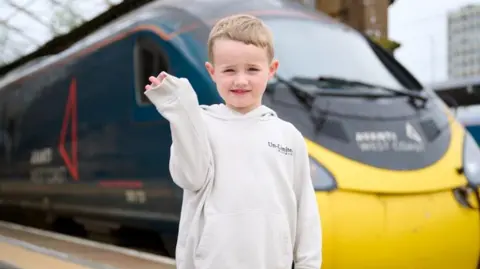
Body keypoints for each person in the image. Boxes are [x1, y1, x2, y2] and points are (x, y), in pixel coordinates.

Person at [144, 13, 322, 269]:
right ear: (212, 72)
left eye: (252, 69)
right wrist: (182, 114)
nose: (240, 80)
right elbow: (190, 177)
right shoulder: (198, 124)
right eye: (229, 70)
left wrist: (308, 264)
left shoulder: (288, 136)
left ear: (271, 70)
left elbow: (305, 209)